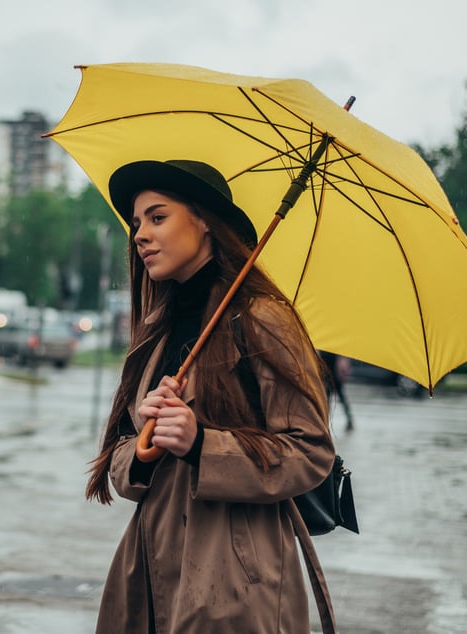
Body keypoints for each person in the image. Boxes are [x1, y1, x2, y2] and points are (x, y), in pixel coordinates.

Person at [86, 159, 336, 633]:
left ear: (204, 221)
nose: (139, 234)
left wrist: (201, 444)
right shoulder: (156, 331)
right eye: (137, 223)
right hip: (148, 570)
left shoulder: (261, 318)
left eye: (158, 217)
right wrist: (145, 447)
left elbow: (310, 451)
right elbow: (120, 460)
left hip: (235, 576)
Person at [319, 350, 355, 431]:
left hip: (333, 378)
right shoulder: (328, 349)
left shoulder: (327, 349)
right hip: (330, 378)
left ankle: (325, 421)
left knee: (330, 401)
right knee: (329, 401)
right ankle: (325, 421)